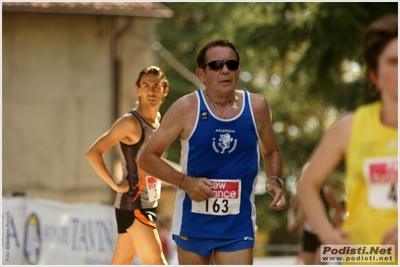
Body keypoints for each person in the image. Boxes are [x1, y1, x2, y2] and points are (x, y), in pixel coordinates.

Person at [138, 39, 287, 265]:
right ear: (202, 73)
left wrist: (275, 180)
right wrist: (186, 182)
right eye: (216, 65)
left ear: (238, 70)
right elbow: (147, 158)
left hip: (238, 225)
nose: (225, 69)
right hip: (193, 222)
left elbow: (272, 151)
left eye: (231, 64)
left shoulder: (257, 107)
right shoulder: (186, 108)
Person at [297, 15, 398, 265]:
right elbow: (307, 184)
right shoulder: (349, 128)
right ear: (374, 74)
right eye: (394, 61)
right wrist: (328, 234)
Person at [85, 66, 169, 265]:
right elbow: (93, 153)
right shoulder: (130, 123)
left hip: (149, 202)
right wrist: (114, 184)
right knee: (156, 262)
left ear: (164, 90)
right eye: (145, 86)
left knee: (120, 263)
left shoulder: (158, 121)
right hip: (134, 204)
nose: (151, 91)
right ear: (137, 90)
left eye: (156, 86)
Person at [287, 184, 345, 264]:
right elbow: (292, 210)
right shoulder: (300, 193)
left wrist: (332, 225)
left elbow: (339, 210)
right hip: (308, 233)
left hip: (323, 233)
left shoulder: (325, 192)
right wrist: (291, 220)